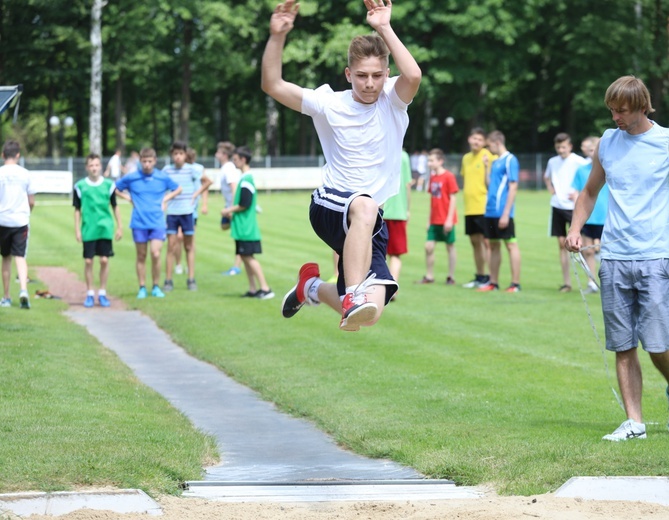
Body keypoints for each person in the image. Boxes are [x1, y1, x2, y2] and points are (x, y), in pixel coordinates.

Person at [263, 0, 421, 331]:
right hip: (331, 204)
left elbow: (414, 74)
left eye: (378, 76)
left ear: (386, 75)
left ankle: (311, 288)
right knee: (363, 209)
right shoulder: (328, 103)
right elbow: (273, 85)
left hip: (370, 221)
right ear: (349, 74)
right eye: (361, 76)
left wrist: (384, 27)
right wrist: (277, 36)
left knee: (372, 313)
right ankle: (351, 294)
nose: (369, 83)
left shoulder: (394, 101)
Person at [565, 75, 669, 442]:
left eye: (622, 111)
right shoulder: (608, 143)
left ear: (642, 106)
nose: (615, 118)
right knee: (623, 344)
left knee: (658, 343)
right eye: (611, 110)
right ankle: (635, 423)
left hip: (657, 256)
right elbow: (590, 190)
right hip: (614, 257)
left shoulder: (665, 143)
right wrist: (576, 228)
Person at [114, 147, 182, 299]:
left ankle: (156, 286)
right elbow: (115, 188)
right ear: (140, 161)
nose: (146, 164)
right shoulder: (132, 177)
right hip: (139, 221)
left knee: (156, 253)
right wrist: (128, 198)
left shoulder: (162, 177)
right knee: (141, 255)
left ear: (155, 161)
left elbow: (178, 189)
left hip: (157, 221)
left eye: (150, 161)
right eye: (144, 161)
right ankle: (142, 287)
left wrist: (165, 199)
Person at [220, 146, 274, 300]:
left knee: (249, 257)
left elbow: (245, 203)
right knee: (244, 257)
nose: (234, 162)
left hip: (246, 227)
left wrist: (228, 210)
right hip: (242, 227)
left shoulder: (246, 180)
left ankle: (265, 288)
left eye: (236, 159)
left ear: (243, 160)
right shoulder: (244, 179)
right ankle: (252, 288)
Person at [73, 153, 123, 307]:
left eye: (96, 165)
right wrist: (77, 229)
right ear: (87, 167)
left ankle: (102, 292)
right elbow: (77, 209)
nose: (94, 168)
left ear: (100, 166)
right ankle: (89, 293)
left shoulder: (109, 185)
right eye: (91, 165)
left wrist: (119, 226)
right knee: (88, 261)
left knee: (104, 260)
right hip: (88, 228)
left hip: (105, 227)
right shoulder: (80, 186)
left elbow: (115, 206)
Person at [162, 141, 212, 292]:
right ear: (172, 155)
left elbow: (208, 182)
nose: (178, 157)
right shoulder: (167, 170)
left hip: (187, 212)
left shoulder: (192, 170)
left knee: (189, 246)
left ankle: (191, 278)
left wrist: (196, 195)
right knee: (171, 246)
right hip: (172, 213)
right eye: (175, 154)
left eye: (181, 154)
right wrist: (163, 201)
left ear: (185, 155)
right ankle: (168, 280)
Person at [476, 131, 521, 292]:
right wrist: (487, 166)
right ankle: (493, 282)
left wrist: (506, 213)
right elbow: (488, 184)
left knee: (511, 245)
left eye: (489, 145)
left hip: (503, 212)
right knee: (493, 246)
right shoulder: (495, 162)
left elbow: (513, 187)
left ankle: (515, 284)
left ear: (497, 143)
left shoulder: (510, 160)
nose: (488, 149)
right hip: (490, 211)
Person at [544, 132, 588, 292]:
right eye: (558, 147)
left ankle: (589, 281)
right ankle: (567, 282)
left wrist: (579, 192)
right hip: (557, 205)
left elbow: (589, 178)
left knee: (580, 244)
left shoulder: (579, 161)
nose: (561, 150)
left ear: (570, 146)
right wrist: (550, 188)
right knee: (562, 245)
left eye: (563, 147)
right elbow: (546, 177)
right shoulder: (552, 161)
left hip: (574, 207)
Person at [0, 140, 35, 309]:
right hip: (20, 220)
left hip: (2, 220)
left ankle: (6, 297)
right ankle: (23, 290)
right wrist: (27, 213)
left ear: (3, 155)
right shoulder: (25, 173)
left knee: (6, 258)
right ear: (18, 155)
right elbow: (32, 201)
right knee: (20, 257)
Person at [569, 136, 607, 294]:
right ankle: (591, 282)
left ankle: (607, 283)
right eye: (590, 150)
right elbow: (578, 191)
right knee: (588, 250)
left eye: (594, 150)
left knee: (604, 251)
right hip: (588, 217)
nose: (592, 154)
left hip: (605, 216)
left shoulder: (608, 168)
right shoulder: (582, 170)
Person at [416, 148, 457, 285]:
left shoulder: (449, 176)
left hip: (446, 219)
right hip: (434, 220)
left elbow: (453, 198)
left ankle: (451, 276)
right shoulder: (433, 177)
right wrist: (429, 220)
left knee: (449, 246)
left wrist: (449, 219)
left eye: (431, 160)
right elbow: (432, 200)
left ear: (440, 161)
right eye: (428, 160)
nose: (429, 163)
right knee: (428, 247)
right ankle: (429, 276)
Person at [461, 127, 496, 288]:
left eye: (480, 140)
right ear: (469, 139)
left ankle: (490, 276)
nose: (476, 142)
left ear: (484, 143)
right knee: (474, 242)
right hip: (469, 207)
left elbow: (492, 183)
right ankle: (480, 275)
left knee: (486, 242)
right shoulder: (466, 158)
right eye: (474, 138)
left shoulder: (488, 157)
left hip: (484, 207)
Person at [173, 147, 211, 276]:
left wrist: (204, 204)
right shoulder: (178, 169)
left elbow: (206, 186)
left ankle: (190, 266)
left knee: (190, 239)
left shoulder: (197, 169)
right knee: (178, 237)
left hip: (192, 208)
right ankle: (178, 264)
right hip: (178, 207)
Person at [384, 148, 412, 289]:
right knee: (395, 254)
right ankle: (392, 287)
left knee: (375, 253)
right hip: (398, 211)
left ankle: (376, 287)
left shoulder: (379, 151)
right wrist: (407, 209)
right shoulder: (403, 156)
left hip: (378, 209)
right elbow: (407, 185)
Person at [215, 141, 243, 276]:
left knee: (238, 236)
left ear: (224, 155)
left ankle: (236, 267)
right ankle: (238, 264)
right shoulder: (226, 167)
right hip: (229, 206)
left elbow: (234, 187)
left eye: (218, 152)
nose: (216, 154)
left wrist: (231, 209)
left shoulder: (228, 168)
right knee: (226, 228)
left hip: (233, 206)